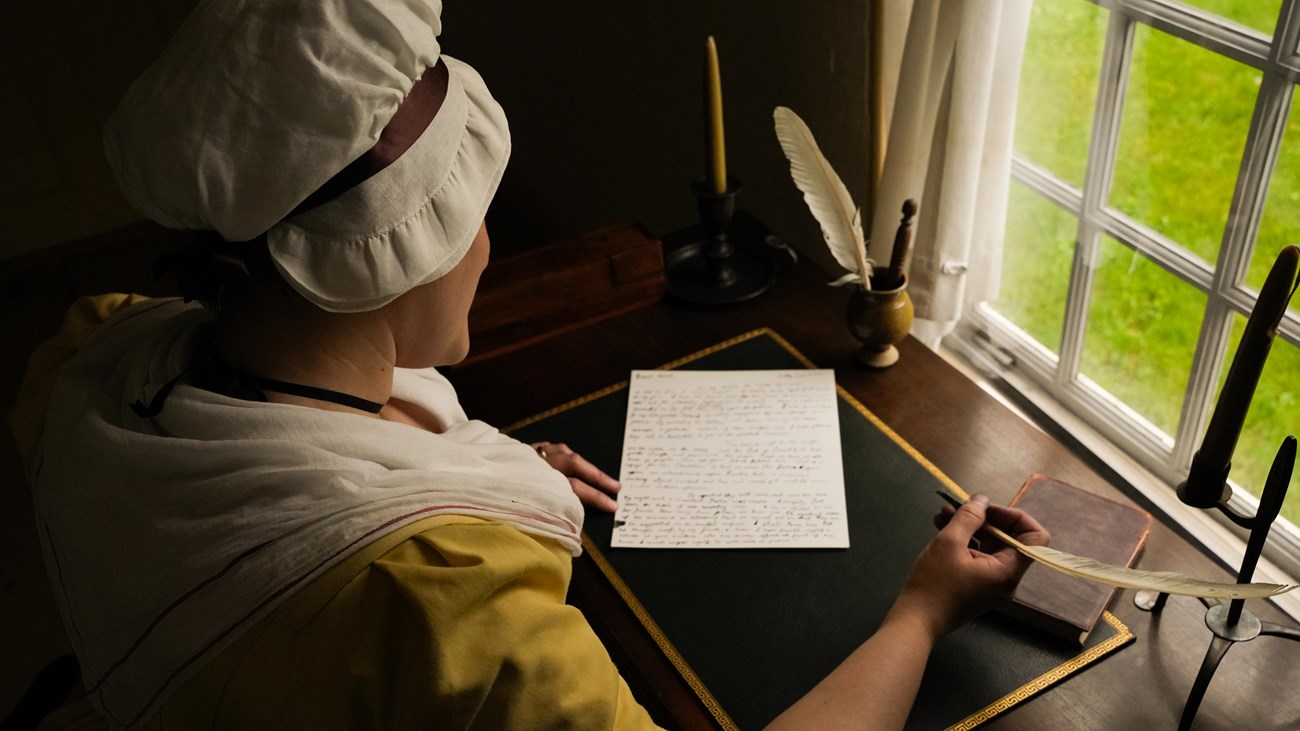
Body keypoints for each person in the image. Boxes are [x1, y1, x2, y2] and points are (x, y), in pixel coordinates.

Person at [11, 1, 1048, 729]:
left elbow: (299, 460)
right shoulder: (454, 616)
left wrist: (469, 463)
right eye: (468, 215)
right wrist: (922, 611)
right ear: (391, 256)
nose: (481, 245)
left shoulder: (89, 351)